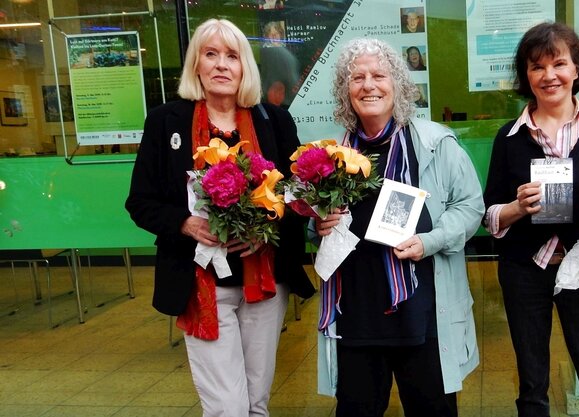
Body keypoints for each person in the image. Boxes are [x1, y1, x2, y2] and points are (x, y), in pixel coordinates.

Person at [125, 18, 314, 417]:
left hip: (263, 284)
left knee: (256, 404)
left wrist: (268, 231)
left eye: (232, 56)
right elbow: (140, 202)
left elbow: (298, 195)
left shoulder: (274, 121)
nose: (221, 65)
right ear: (196, 64)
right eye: (210, 54)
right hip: (199, 284)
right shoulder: (165, 123)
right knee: (228, 408)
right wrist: (186, 223)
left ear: (245, 67)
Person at [314, 38, 484, 417]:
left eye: (379, 75)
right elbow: (316, 228)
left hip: (422, 315)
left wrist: (429, 241)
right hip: (356, 317)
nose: (369, 85)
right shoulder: (329, 156)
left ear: (399, 85)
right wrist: (317, 224)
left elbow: (471, 206)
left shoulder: (435, 143)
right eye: (357, 77)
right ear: (346, 90)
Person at [482, 22, 579, 417]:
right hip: (524, 271)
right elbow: (489, 213)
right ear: (526, 76)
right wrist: (516, 207)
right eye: (536, 67)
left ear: (576, 69)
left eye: (558, 63)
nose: (549, 76)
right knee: (532, 384)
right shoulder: (508, 138)